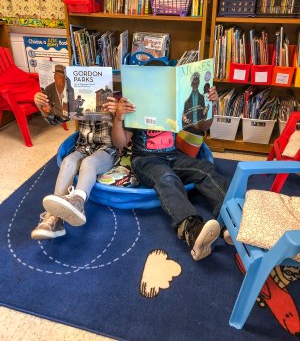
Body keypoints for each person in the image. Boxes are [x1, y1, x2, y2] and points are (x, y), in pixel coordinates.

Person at [112, 63, 229, 261]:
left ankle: (230, 219)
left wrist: (211, 105)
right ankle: (191, 230)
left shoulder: (176, 102)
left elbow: (202, 125)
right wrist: (118, 118)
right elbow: (120, 142)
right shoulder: (135, 105)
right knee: (167, 178)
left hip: (173, 155)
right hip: (145, 160)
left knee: (206, 169)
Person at [31, 91, 118, 240]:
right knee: (68, 161)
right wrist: (44, 109)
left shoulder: (116, 96)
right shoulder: (78, 95)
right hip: (83, 147)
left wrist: (116, 114)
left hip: (107, 149)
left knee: (88, 163)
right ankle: (54, 218)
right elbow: (57, 118)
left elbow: (126, 130)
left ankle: (78, 202)